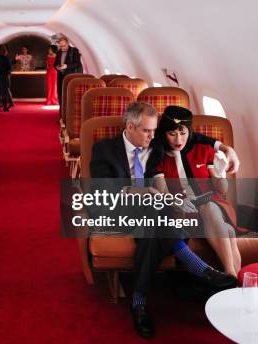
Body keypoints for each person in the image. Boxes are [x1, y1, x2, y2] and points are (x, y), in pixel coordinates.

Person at [90, 102, 240, 339]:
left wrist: (223, 147)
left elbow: (191, 135)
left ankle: (138, 301)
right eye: (148, 131)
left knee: (156, 216)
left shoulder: (155, 145)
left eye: (155, 131)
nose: (154, 136)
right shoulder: (105, 150)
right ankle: (201, 271)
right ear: (130, 127)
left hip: (153, 213)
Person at [153, 106, 242, 276]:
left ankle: (230, 274)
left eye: (183, 133)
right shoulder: (159, 155)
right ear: (164, 133)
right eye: (172, 134)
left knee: (209, 207)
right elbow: (161, 191)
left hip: (212, 204)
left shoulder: (203, 148)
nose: (178, 139)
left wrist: (220, 172)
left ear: (189, 131)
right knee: (228, 232)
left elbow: (221, 190)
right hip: (183, 210)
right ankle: (235, 280)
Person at [54, 35, 82, 109]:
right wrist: (57, 67)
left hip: (71, 77)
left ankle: (69, 116)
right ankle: (61, 116)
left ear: (68, 43)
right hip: (60, 76)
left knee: (70, 96)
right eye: (60, 46)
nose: (62, 48)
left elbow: (77, 64)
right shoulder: (58, 52)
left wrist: (67, 66)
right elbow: (55, 64)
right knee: (60, 96)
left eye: (63, 46)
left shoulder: (74, 51)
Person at [0, 44, 13, 111]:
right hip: (4, 76)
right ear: (5, 50)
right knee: (4, 92)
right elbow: (9, 67)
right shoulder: (6, 58)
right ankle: (5, 107)